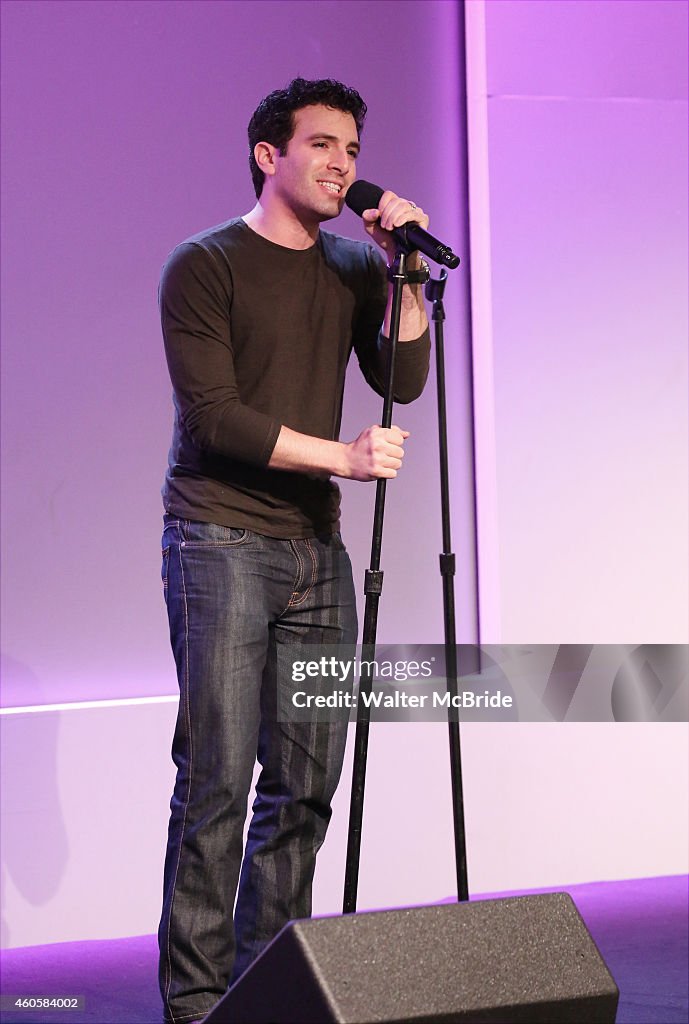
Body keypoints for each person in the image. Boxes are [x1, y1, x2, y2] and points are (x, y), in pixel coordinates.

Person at [157, 77, 431, 1024]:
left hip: (317, 554)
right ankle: (196, 1009)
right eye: (322, 146)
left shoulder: (359, 268)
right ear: (270, 156)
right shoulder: (204, 263)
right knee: (218, 784)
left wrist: (406, 278)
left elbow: (400, 374)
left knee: (306, 787)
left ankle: (266, 999)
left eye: (352, 151)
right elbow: (216, 416)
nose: (342, 166)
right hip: (219, 540)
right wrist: (343, 457)